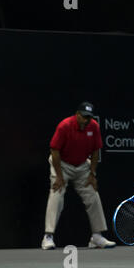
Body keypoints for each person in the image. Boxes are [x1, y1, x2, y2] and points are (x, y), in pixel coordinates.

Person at [41, 102, 116, 250]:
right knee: (56, 192)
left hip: (82, 165)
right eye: (84, 116)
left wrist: (92, 174)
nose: (86, 120)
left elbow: (95, 151)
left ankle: (97, 236)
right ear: (77, 115)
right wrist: (59, 176)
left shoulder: (94, 126)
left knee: (93, 194)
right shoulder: (64, 126)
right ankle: (48, 236)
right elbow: (54, 151)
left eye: (89, 117)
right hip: (61, 164)